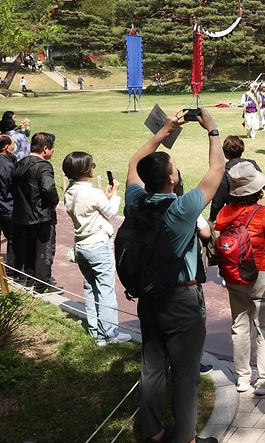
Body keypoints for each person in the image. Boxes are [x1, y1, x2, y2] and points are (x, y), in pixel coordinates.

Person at [125, 107, 223, 443]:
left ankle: (152, 432)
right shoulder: (181, 210)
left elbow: (134, 163)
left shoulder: (137, 201)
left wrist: (163, 133)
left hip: (148, 297)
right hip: (181, 300)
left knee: (152, 367)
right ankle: (186, 439)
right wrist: (211, 129)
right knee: (184, 374)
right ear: (171, 179)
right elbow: (217, 169)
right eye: (174, 167)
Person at [216, 162, 265, 395]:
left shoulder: (224, 213)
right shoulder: (263, 213)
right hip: (262, 273)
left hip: (233, 275)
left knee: (240, 325)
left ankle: (243, 378)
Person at [62, 151, 130, 345]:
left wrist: (105, 197)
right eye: (92, 165)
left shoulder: (69, 192)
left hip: (81, 245)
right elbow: (110, 213)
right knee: (106, 289)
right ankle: (108, 334)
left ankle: (95, 329)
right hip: (98, 245)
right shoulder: (92, 193)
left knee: (90, 287)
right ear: (85, 169)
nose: (94, 168)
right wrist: (114, 195)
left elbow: (92, 210)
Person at [11, 132, 59, 292]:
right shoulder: (43, 166)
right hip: (41, 215)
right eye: (52, 148)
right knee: (44, 250)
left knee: (29, 248)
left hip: (22, 214)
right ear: (45, 148)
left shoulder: (20, 163)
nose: (52, 152)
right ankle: (42, 285)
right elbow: (48, 188)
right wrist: (54, 202)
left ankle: (30, 280)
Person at [208, 135, 265, 227]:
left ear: (225, 153)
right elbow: (264, 187)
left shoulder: (225, 173)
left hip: (237, 218)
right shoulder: (252, 164)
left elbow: (218, 201)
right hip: (256, 213)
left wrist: (211, 219)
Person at [0, 136, 14, 269]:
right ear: (6, 147)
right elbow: (13, 186)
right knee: (13, 238)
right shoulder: (8, 166)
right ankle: (12, 268)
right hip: (7, 206)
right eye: (13, 144)